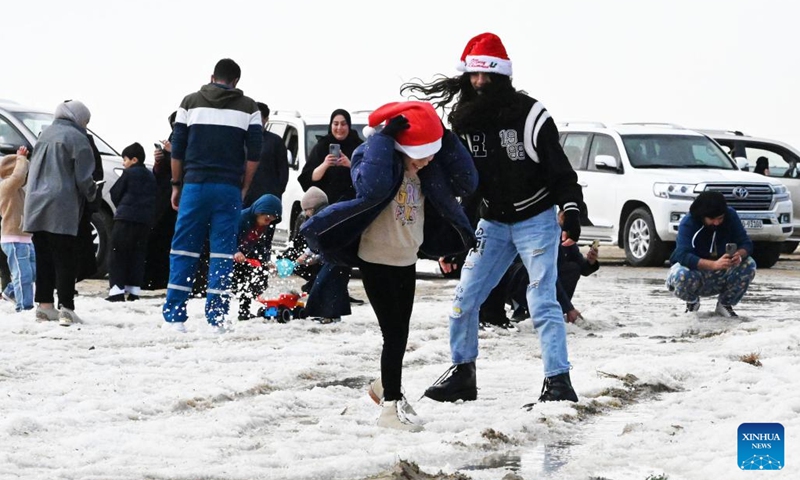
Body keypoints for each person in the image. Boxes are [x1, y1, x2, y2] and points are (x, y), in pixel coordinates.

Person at [402, 32, 584, 404]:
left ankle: (559, 383)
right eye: (474, 75)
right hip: (493, 222)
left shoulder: (532, 115)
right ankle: (462, 373)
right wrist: (455, 239)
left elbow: (560, 172)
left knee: (542, 300)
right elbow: (464, 185)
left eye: (488, 75)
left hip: (536, 219)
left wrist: (570, 209)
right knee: (464, 299)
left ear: (504, 76)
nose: (481, 82)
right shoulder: (462, 120)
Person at [301, 101, 477, 431]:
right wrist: (384, 137)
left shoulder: (428, 174)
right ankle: (389, 409)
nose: (427, 159)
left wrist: (445, 136)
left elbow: (467, 180)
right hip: (376, 260)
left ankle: (385, 387)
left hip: (406, 260)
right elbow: (373, 186)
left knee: (400, 333)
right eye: (422, 152)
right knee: (393, 335)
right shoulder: (376, 164)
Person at [162, 58, 262, 333]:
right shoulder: (249, 107)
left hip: (194, 185)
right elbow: (254, 154)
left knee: (183, 249)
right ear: (236, 81)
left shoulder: (190, 103)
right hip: (228, 188)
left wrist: (175, 184)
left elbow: (177, 148)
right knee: (222, 254)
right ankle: (217, 321)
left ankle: (175, 319)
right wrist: (243, 186)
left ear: (212, 76)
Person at [23, 100, 97, 326]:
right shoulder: (77, 138)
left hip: (35, 204)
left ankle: (44, 307)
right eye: (85, 120)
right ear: (78, 118)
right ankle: (66, 308)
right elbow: (84, 177)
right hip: (61, 205)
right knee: (66, 257)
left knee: (44, 256)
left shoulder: (44, 135)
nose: (85, 125)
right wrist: (94, 192)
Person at [299, 108, 365, 307]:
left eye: (343, 123)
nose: (339, 128)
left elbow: (368, 176)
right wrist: (326, 164)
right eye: (336, 123)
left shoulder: (358, 146)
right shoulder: (322, 146)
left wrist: (349, 164)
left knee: (346, 251)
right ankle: (321, 288)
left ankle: (338, 290)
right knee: (327, 250)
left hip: (352, 206)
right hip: (327, 207)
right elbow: (308, 178)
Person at [666, 191, 756, 317]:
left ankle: (725, 304)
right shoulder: (688, 223)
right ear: (702, 216)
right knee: (680, 275)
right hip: (697, 272)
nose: (716, 223)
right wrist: (713, 264)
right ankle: (692, 302)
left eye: (720, 218)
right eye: (712, 219)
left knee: (749, 264)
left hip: (722, 272)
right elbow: (682, 255)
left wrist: (739, 255)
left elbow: (746, 243)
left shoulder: (731, 216)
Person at [106, 142, 157, 302]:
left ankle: (116, 291)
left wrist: (121, 207)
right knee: (138, 254)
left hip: (125, 218)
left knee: (118, 253)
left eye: (125, 159)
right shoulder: (150, 175)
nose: (123, 163)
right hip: (144, 220)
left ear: (134, 160)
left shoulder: (128, 174)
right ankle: (134, 290)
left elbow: (115, 192)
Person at [143, 111, 178, 290]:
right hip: (164, 197)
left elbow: (184, 165)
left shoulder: (191, 142)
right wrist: (159, 160)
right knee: (156, 237)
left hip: (180, 198)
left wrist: (173, 153)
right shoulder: (173, 139)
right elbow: (161, 172)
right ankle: (152, 279)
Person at [233, 194, 282, 320]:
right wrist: (235, 251)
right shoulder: (241, 218)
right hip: (234, 255)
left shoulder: (266, 226)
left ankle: (244, 310)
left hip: (248, 256)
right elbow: (228, 237)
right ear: (258, 212)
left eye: (272, 220)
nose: (268, 222)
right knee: (241, 281)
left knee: (255, 279)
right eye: (266, 219)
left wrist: (266, 261)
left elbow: (264, 245)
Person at [0, 147, 35, 312]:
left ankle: (10, 292)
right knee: (24, 275)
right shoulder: (6, 186)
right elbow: (18, 175)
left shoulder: (19, 189)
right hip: (13, 239)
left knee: (34, 272)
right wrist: (21, 158)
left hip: (26, 238)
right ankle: (24, 307)